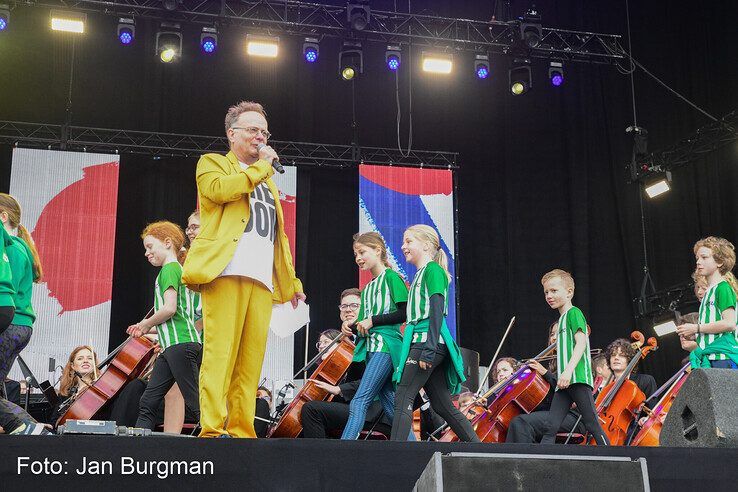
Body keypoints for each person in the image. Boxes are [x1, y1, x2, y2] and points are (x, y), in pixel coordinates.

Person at [182, 100, 305, 438]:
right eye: (253, 130)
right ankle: (211, 428)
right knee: (220, 354)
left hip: (261, 279)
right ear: (232, 133)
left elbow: (277, 236)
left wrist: (291, 280)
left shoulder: (266, 183)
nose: (260, 137)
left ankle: (241, 430)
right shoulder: (214, 164)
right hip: (225, 272)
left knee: (250, 362)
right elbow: (220, 191)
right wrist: (261, 168)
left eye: (264, 132)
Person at [389, 225, 480, 442]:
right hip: (426, 344)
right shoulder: (423, 273)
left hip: (426, 344)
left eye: (409, 241)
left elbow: (437, 311)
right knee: (442, 405)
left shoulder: (433, 271)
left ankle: (393, 455)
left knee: (403, 398)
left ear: (427, 245)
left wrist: (428, 350)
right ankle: (480, 449)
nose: (403, 246)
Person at [127, 221, 202, 431]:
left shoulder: (169, 269)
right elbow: (176, 316)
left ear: (168, 243)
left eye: (150, 247)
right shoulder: (177, 269)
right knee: (148, 401)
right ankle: (140, 448)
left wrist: (145, 323)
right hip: (174, 347)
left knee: (195, 403)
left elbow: (169, 309)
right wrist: (144, 328)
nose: (146, 253)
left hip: (181, 345)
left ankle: (221, 443)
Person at [339, 232, 407, 440]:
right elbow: (363, 320)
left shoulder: (392, 278)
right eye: (355, 254)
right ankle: (415, 451)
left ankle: (342, 451)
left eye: (362, 252)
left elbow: (404, 313)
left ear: (378, 250)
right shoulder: (367, 288)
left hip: (386, 346)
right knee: (389, 405)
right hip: (372, 348)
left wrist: (373, 321)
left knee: (360, 401)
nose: (358, 258)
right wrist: (348, 324)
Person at [300, 292, 393, 439]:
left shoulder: (373, 339)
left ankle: (318, 459)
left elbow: (376, 379)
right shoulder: (348, 343)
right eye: (344, 306)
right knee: (305, 414)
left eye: (354, 305)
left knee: (311, 410)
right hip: (352, 406)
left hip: (373, 412)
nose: (348, 309)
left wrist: (339, 389)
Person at [539, 269, 609, 445]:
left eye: (554, 291)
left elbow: (581, 343)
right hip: (564, 382)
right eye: (546, 292)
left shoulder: (574, 313)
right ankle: (541, 464)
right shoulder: (561, 320)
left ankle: (617, 462)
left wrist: (568, 371)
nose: (549, 295)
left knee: (592, 424)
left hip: (576, 378)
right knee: (550, 427)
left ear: (569, 292)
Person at [677, 236, 738, 369]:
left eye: (704, 257)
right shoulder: (708, 292)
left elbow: (730, 323)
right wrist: (697, 334)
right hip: (710, 358)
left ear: (720, 262)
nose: (698, 262)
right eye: (697, 258)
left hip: (723, 358)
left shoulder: (723, 288)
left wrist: (696, 328)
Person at [0, 194, 42, 387]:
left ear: (3, 217)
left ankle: (25, 420)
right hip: (17, 325)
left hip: (11, 324)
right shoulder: (19, 247)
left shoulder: (13, 250)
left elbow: (9, 288)